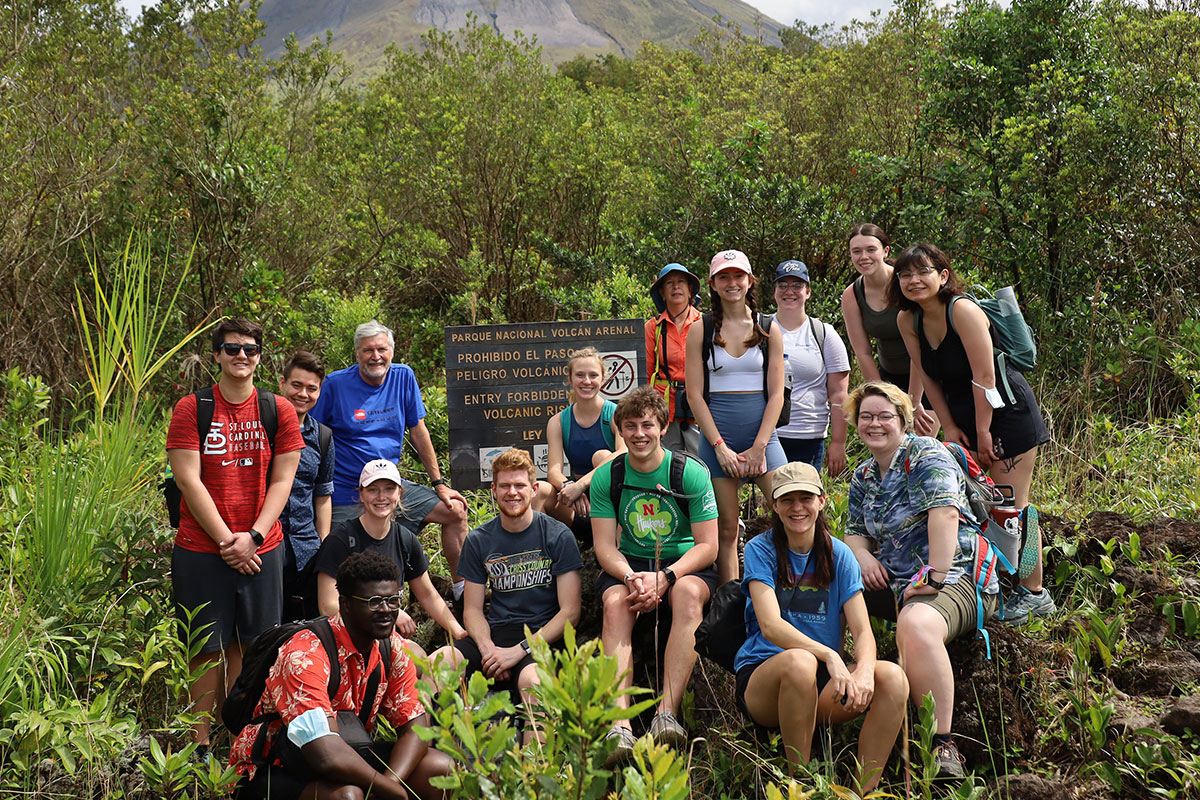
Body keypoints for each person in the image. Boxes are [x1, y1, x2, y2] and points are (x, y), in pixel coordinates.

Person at [843, 381, 1000, 778]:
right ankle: (824, 689)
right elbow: (854, 534)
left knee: (915, 624)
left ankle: (941, 745)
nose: (874, 424)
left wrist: (935, 575)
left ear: (903, 420)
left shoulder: (926, 455)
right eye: (865, 417)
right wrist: (861, 556)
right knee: (830, 581)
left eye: (884, 416)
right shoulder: (863, 475)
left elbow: (945, 513)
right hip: (896, 580)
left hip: (958, 573)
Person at [890, 244, 1054, 622]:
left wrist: (982, 431)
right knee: (979, 505)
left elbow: (986, 377)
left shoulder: (962, 310)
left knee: (1011, 506)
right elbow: (927, 376)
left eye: (922, 272)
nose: (914, 281)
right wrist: (949, 426)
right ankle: (998, 584)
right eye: (905, 275)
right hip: (962, 417)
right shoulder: (907, 320)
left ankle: (1034, 592)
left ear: (943, 275)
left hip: (1006, 413)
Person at [166, 319, 304, 750]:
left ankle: (241, 737)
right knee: (206, 648)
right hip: (201, 549)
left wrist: (254, 537)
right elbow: (188, 479)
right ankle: (201, 743)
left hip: (262, 548)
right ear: (217, 355)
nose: (241, 355)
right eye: (232, 349)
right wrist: (230, 541)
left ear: (260, 356)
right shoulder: (192, 408)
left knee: (254, 645)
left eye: (250, 349)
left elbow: (283, 480)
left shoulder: (277, 409)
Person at [736, 461, 907, 793]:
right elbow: (770, 626)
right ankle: (799, 786)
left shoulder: (840, 555)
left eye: (806, 498)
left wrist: (866, 671)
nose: (797, 508)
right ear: (774, 505)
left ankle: (862, 792)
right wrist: (829, 654)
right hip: (766, 677)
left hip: (824, 684)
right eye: (787, 500)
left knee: (893, 678)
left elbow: (862, 632)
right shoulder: (761, 549)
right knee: (800, 662)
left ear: (822, 501)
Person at [229, 551, 453, 800]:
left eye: (393, 601)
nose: (386, 610)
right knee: (347, 796)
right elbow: (325, 754)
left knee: (439, 768)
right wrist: (388, 791)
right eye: (374, 601)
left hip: (347, 755)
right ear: (345, 603)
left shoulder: (392, 647)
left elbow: (417, 730)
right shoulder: (305, 653)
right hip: (274, 765)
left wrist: (390, 784)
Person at [591, 386, 719, 761]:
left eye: (647, 425)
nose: (639, 434)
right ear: (621, 430)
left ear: (663, 427)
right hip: (629, 563)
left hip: (684, 564)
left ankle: (667, 715)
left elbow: (708, 545)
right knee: (616, 602)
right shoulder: (608, 476)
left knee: (688, 595)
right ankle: (620, 724)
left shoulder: (689, 472)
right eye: (629, 426)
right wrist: (632, 577)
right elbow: (604, 546)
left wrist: (666, 577)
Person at [310, 320, 469, 600]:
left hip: (391, 484)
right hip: (348, 490)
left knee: (455, 510)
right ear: (357, 354)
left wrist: (439, 483)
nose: (375, 356)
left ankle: (463, 593)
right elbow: (313, 434)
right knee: (348, 553)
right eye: (367, 350)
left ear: (392, 352)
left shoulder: (403, 377)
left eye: (381, 349)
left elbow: (418, 431)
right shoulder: (336, 385)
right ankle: (369, 609)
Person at [431, 448, 581, 744]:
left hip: (540, 639)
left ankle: (532, 778)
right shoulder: (479, 539)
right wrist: (488, 649)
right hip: (494, 635)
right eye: (505, 486)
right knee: (437, 664)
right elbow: (472, 610)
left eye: (520, 485)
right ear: (494, 490)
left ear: (534, 488)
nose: (512, 493)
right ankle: (431, 763)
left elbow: (571, 613)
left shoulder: (557, 535)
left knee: (533, 683)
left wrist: (519, 651)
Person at [685, 249, 787, 583]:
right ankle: (730, 599)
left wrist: (759, 448)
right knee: (726, 529)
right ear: (713, 283)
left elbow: (776, 394)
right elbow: (694, 395)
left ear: (750, 280)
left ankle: (789, 588)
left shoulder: (769, 327)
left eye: (738, 276)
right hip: (718, 442)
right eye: (724, 277)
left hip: (763, 438)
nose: (732, 283)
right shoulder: (701, 328)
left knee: (792, 511)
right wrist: (719, 447)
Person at [314, 459, 467, 660]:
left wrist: (458, 633)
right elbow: (328, 605)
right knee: (417, 659)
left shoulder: (405, 540)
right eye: (373, 490)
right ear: (361, 495)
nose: (381, 497)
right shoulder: (340, 541)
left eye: (389, 489)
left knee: (444, 660)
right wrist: (388, 613)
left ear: (399, 494)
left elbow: (429, 595)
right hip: (347, 639)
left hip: (387, 637)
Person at [839, 223, 938, 436]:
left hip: (926, 374)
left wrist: (913, 401)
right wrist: (882, 396)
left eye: (870, 250)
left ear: (885, 251)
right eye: (856, 251)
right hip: (888, 375)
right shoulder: (852, 295)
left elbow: (919, 347)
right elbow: (863, 352)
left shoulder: (907, 284)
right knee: (892, 449)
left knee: (920, 448)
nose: (863, 256)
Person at [771, 259, 850, 476]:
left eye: (797, 285)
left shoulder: (824, 334)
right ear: (775, 291)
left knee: (804, 502)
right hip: (767, 436)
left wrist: (838, 442)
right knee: (772, 501)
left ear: (808, 291)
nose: (789, 291)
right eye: (783, 285)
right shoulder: (761, 329)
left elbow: (839, 394)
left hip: (809, 436)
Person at [536, 347, 626, 530]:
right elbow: (553, 472)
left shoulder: (616, 414)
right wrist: (570, 487)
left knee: (601, 456)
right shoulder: (558, 422)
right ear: (570, 379)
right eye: (580, 375)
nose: (587, 381)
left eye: (593, 375)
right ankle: (540, 553)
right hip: (580, 505)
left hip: (614, 503)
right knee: (540, 491)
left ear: (603, 379)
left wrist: (581, 485)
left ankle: (617, 540)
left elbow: (623, 453)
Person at [277, 351, 336, 622]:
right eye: (296, 385)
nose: (303, 394)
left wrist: (324, 547)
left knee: (305, 623)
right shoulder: (262, 428)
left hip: (305, 546)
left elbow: (323, 495)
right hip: (265, 545)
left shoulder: (323, 436)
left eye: (311, 389)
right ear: (282, 384)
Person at [645, 263, 704, 455]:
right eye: (669, 283)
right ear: (662, 293)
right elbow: (646, 373)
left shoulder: (706, 323)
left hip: (700, 405)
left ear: (690, 291)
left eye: (681, 282)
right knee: (668, 463)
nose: (676, 287)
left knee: (701, 463)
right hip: (664, 408)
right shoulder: (653, 327)